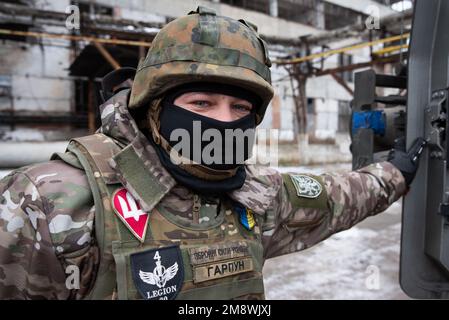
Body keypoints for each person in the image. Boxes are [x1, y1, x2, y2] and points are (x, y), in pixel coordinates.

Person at [0, 7, 425, 300]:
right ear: (154, 108)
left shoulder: (255, 194)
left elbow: (339, 198)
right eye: (202, 104)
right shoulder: (47, 201)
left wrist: (397, 171)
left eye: (240, 108)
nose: (224, 121)